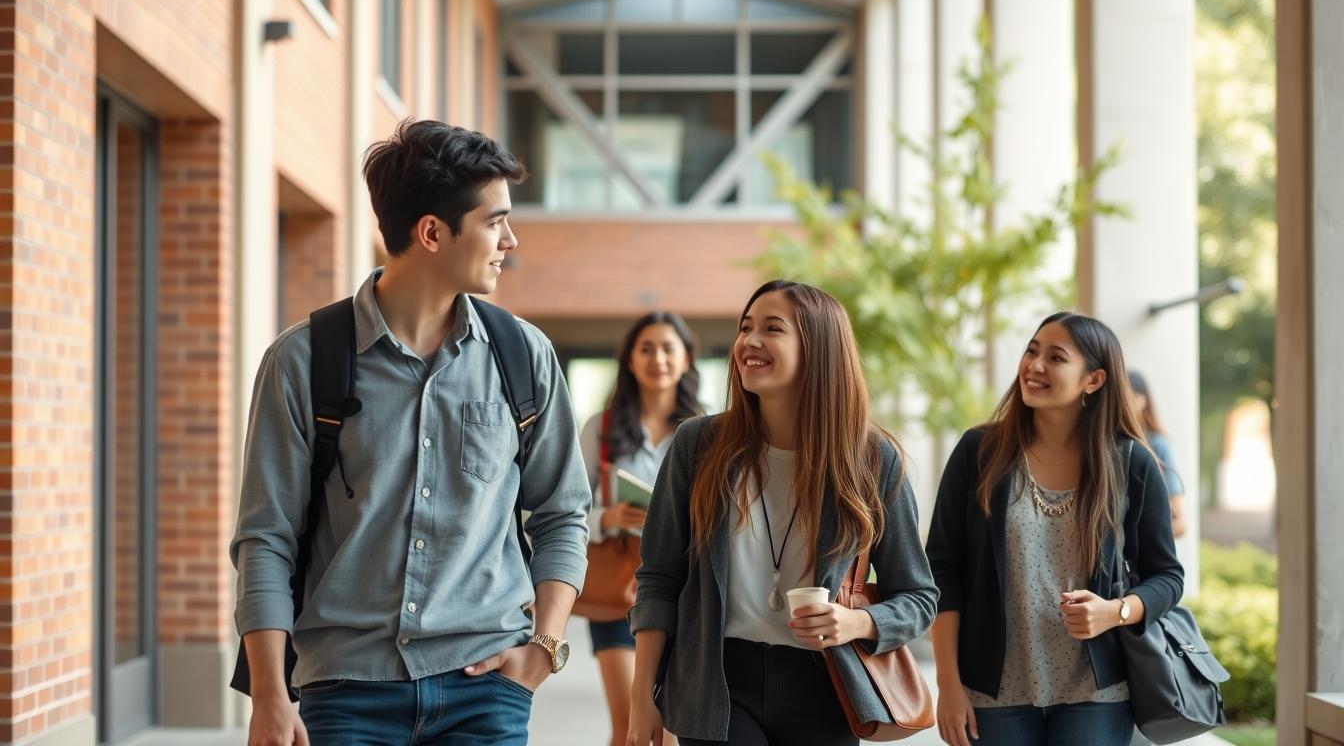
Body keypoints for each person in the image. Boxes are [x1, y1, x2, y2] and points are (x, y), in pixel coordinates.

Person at [230, 120, 591, 746]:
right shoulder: (302, 360)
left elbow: (563, 513)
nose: (510, 239)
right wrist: (268, 695)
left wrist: (544, 648)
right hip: (345, 694)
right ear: (431, 232)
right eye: (494, 220)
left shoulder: (522, 355)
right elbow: (266, 538)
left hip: (487, 691)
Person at [627, 280, 939, 746]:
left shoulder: (872, 459)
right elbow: (660, 578)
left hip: (827, 685)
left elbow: (919, 596)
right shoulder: (698, 445)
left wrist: (857, 622)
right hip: (718, 681)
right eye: (745, 327)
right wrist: (641, 697)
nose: (749, 341)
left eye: (772, 328)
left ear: (819, 349)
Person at [925, 312, 1184, 746]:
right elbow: (943, 571)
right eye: (1032, 351)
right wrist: (948, 685)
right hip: (994, 692)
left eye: (1055, 357)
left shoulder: (1131, 463)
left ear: (1094, 380)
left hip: (1097, 692)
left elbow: (1168, 577)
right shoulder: (979, 452)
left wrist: (1114, 611)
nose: (1035, 365)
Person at [579, 312, 702, 746]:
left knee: (672, 731)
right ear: (629, 360)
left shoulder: (706, 432)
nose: (658, 358)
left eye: (668, 348)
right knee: (629, 725)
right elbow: (567, 509)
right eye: (646, 348)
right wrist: (606, 518)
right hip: (618, 591)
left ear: (686, 359)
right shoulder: (603, 427)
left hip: (686, 592)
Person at [1127, 371, 1187, 537]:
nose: (1125, 403)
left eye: (1131, 396)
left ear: (1143, 400)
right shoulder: (1107, 443)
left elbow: (1179, 522)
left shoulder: (1158, 444)